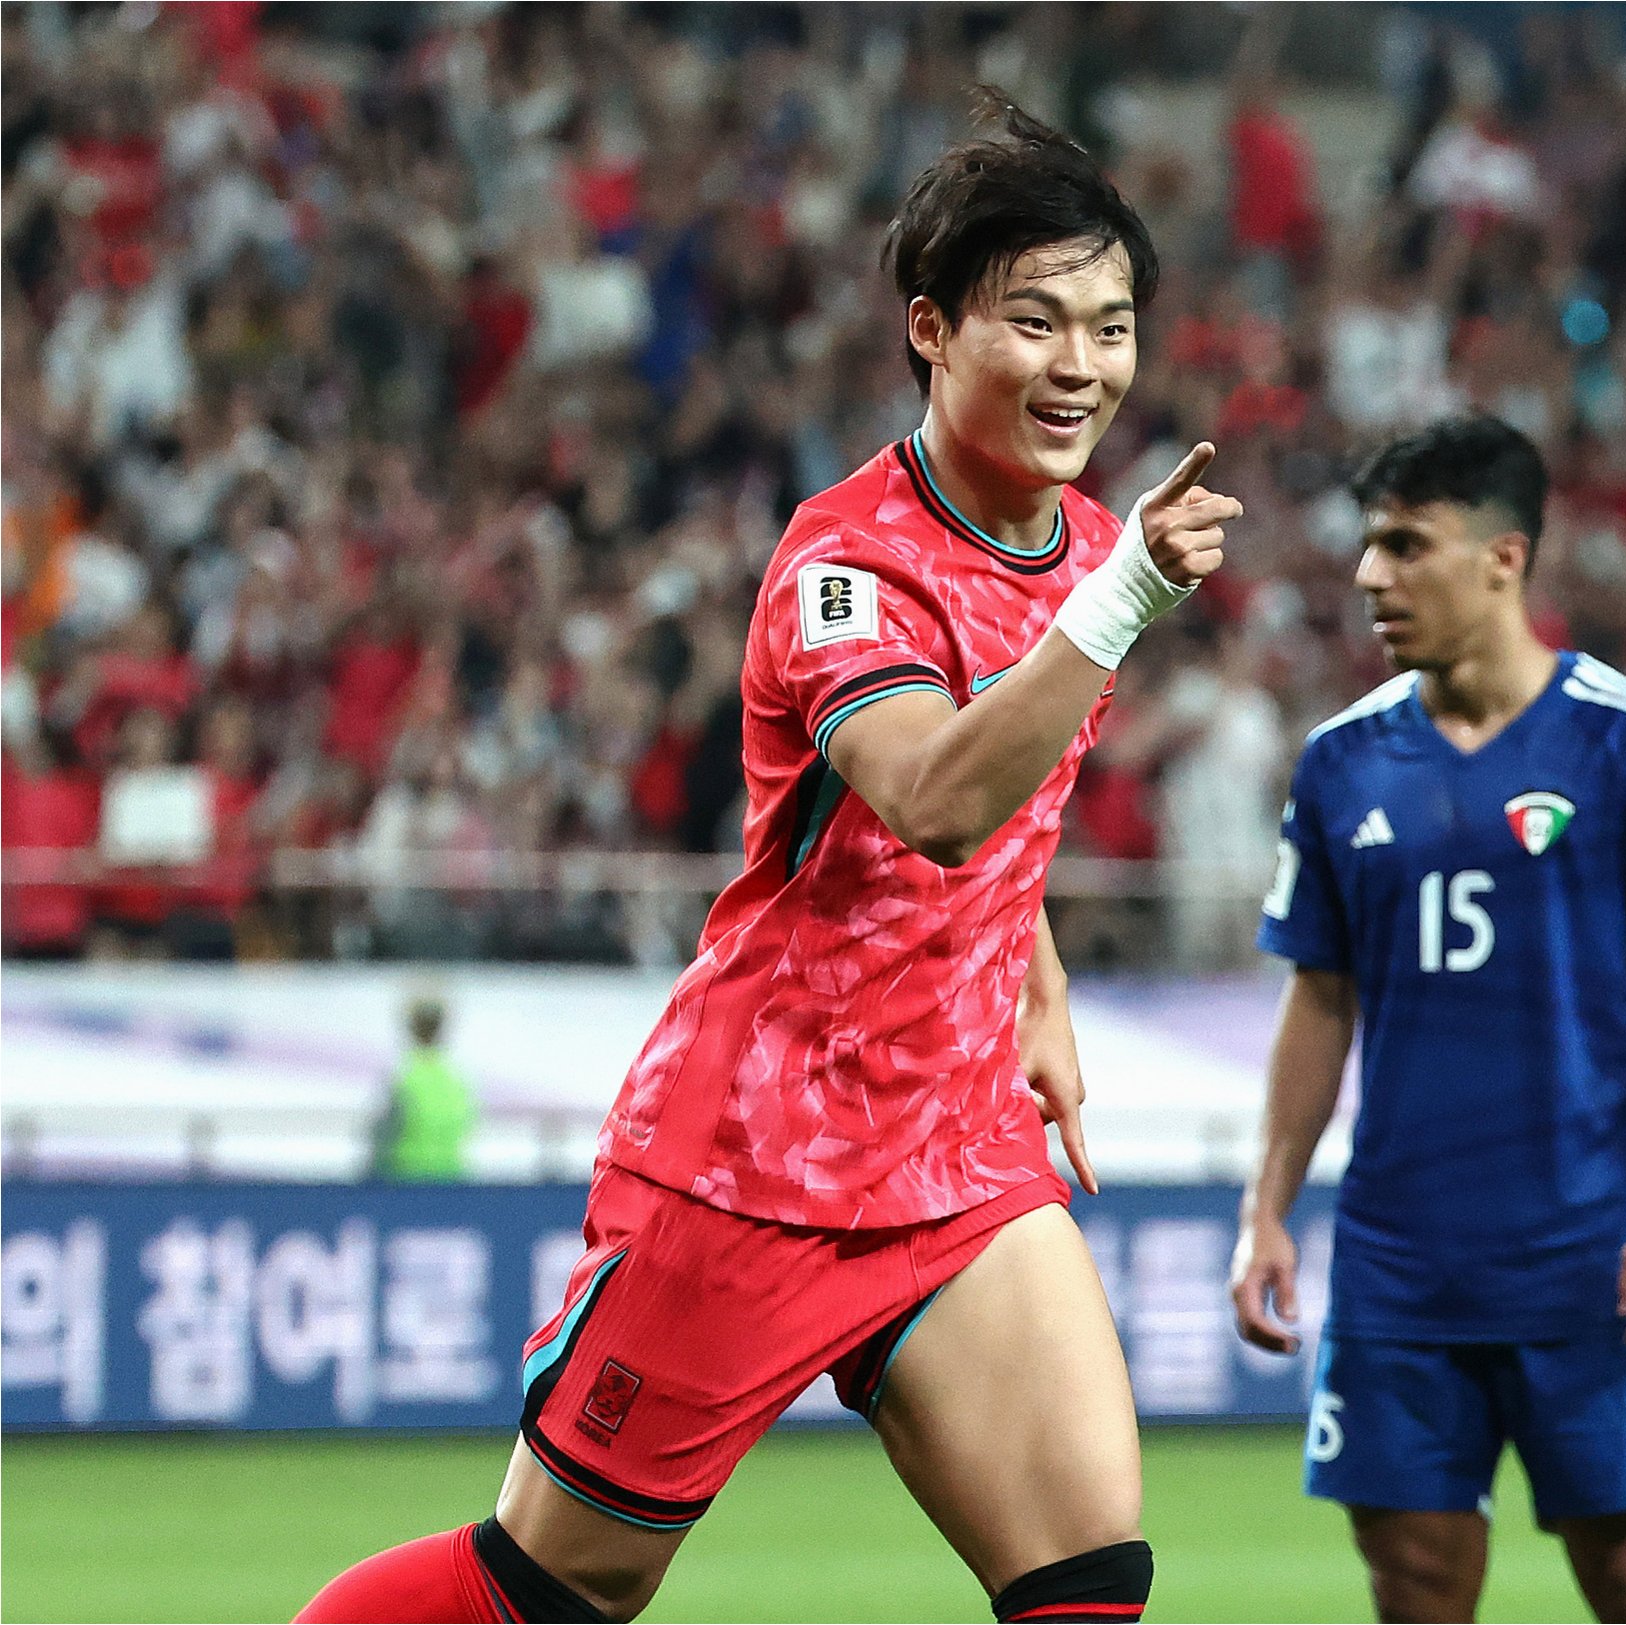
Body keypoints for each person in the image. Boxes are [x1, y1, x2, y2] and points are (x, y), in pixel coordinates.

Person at [299, 90, 1240, 1625]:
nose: (1083, 363)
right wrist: (1125, 598)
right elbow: (933, 794)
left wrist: (1037, 983)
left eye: (1112, 326)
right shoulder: (849, 566)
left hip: (953, 1149)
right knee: (549, 1588)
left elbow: (1007, 815)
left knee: (1087, 1573)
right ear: (931, 328)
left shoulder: (1078, 548)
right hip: (757, 1157)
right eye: (1037, 321)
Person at [1230, 416, 1626, 1625]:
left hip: (1586, 1251)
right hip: (1397, 1260)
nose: (1370, 575)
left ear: (1502, 558)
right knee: (1414, 1586)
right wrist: (1265, 1209)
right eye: (1369, 545)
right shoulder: (1340, 761)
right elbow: (1318, 997)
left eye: (1405, 545)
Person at [368, 994, 477, 1183]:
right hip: (450, 1174)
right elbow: (469, 1123)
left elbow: (383, 1128)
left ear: (411, 1028)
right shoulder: (457, 1078)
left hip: (404, 1174)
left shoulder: (403, 1075)